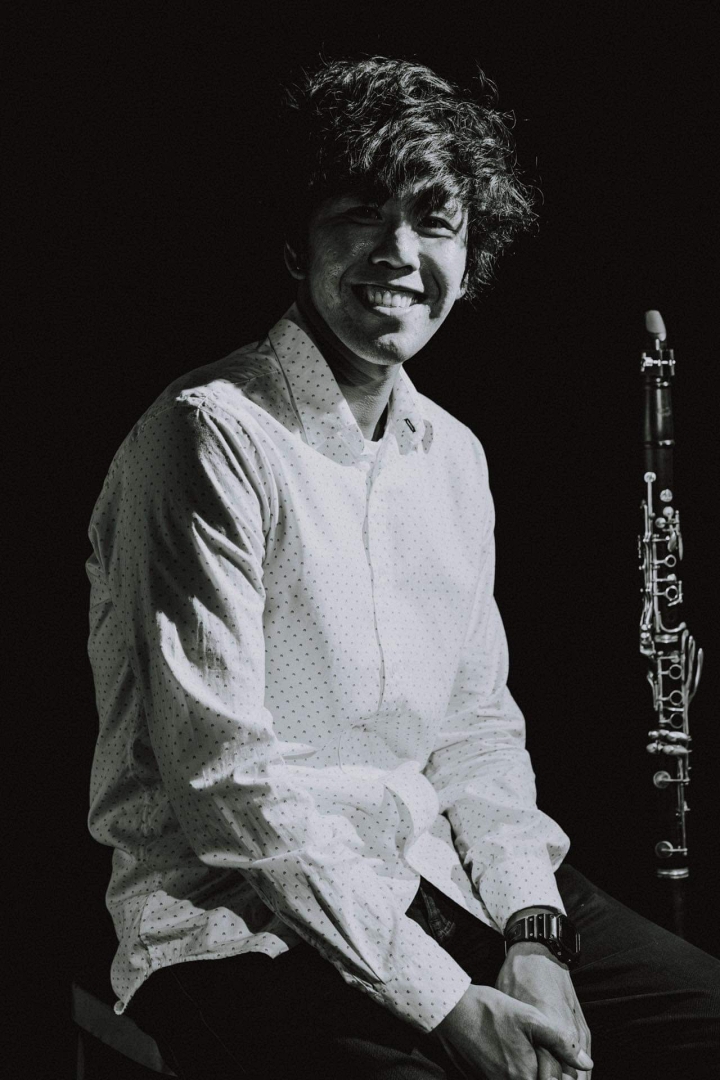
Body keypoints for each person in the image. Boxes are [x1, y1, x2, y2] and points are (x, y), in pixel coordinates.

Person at [86, 57, 718, 1079]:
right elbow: (225, 783)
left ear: (470, 260)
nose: (400, 252)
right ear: (295, 243)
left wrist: (534, 936)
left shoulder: (455, 457)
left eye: (435, 222)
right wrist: (450, 1007)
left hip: (439, 883)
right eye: (360, 214)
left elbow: (476, 731)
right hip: (237, 925)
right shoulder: (209, 434)